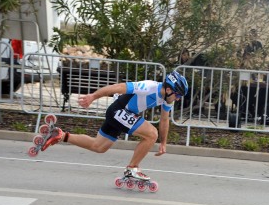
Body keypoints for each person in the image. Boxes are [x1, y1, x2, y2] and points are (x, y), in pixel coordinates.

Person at [40, 71, 188, 180]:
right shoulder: (149, 86)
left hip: (123, 115)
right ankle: (132, 169)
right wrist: (93, 96)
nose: (179, 99)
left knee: (99, 146)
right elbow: (117, 87)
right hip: (118, 111)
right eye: (178, 95)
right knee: (151, 134)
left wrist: (163, 142)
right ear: (168, 90)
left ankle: (60, 135)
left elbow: (164, 119)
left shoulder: (168, 99)